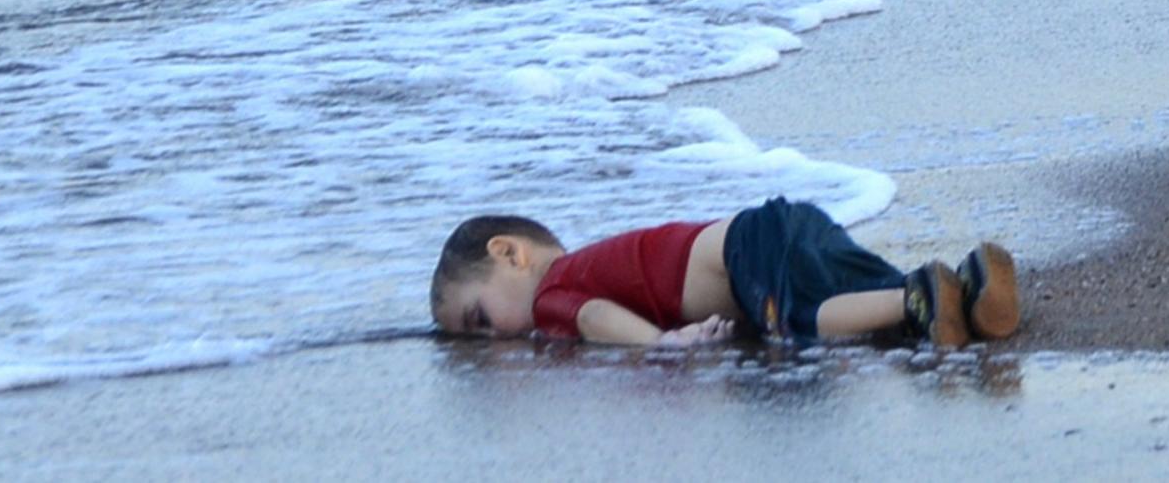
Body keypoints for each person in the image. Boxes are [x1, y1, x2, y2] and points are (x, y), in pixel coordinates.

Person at [428, 195, 1020, 350]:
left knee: (801, 323)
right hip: (781, 225)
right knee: (861, 294)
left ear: (510, 254)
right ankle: (964, 288)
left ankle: (916, 298)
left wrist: (660, 343)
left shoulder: (552, 292)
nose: (492, 336)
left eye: (477, 319)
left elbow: (592, 318)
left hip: (748, 249)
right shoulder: (590, 264)